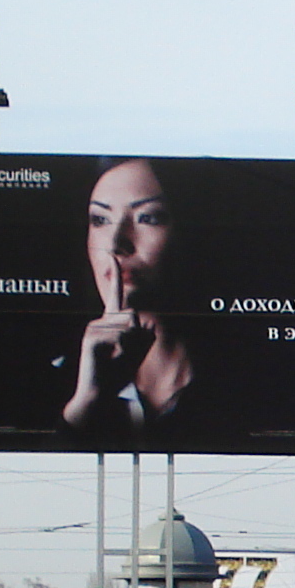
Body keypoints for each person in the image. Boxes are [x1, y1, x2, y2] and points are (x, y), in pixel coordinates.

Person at [61, 157, 199, 440]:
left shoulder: (254, 384)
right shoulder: (46, 382)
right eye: (100, 220)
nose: (115, 244)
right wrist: (86, 404)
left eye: (147, 218)